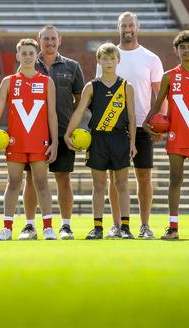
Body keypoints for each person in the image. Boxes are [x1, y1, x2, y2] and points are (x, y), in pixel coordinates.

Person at [0, 39, 58, 240]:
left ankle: (48, 227)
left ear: (37, 56)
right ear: (17, 56)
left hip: (39, 140)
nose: (27, 57)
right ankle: (7, 228)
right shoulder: (8, 81)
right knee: (13, 182)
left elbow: (52, 114)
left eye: (30, 53)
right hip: (16, 140)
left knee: (41, 182)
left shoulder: (46, 82)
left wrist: (55, 142)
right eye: (23, 53)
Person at [144, 31, 189, 241]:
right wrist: (146, 121)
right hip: (177, 135)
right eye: (182, 47)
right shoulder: (169, 76)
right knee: (175, 180)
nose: (186, 50)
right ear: (176, 50)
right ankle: (173, 228)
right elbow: (158, 104)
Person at [101, 12, 164, 239]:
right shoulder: (108, 56)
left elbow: (159, 94)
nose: (128, 29)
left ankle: (145, 225)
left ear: (138, 27)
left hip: (143, 125)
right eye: (123, 25)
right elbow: (100, 92)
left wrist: (160, 123)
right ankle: (116, 225)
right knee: (115, 177)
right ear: (118, 27)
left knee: (144, 176)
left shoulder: (151, 58)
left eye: (131, 25)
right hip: (115, 127)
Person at [19, 25, 84, 241]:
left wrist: (72, 126)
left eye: (53, 38)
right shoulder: (28, 64)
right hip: (33, 133)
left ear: (60, 40)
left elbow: (81, 101)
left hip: (63, 132)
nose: (49, 42)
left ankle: (65, 226)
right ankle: (29, 225)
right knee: (31, 179)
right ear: (39, 40)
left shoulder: (72, 67)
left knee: (63, 178)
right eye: (45, 38)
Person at [65, 43, 136, 240]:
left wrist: (133, 143)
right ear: (99, 60)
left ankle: (125, 227)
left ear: (118, 60)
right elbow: (79, 111)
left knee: (122, 184)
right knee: (99, 186)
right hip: (97, 139)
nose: (109, 62)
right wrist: (67, 134)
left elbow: (132, 116)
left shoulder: (126, 86)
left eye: (112, 58)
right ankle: (97, 227)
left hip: (120, 138)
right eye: (105, 58)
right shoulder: (91, 86)